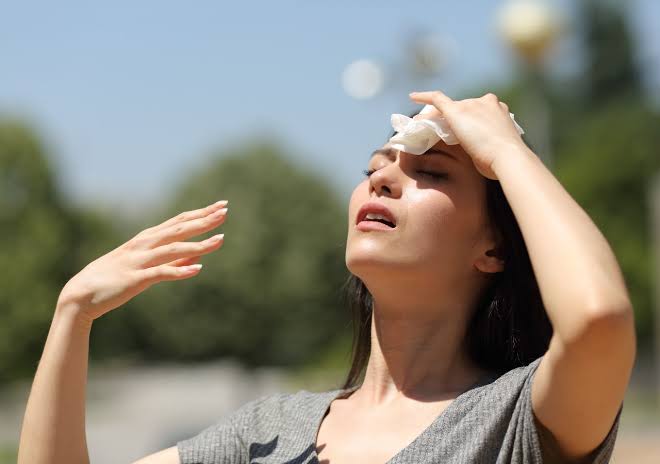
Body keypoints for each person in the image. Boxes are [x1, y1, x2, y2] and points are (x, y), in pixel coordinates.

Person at [17, 90, 635, 464]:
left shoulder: (517, 421)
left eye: (435, 173)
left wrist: (506, 149)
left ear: (494, 249)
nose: (383, 178)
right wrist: (73, 314)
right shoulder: (267, 433)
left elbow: (597, 318)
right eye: (375, 166)